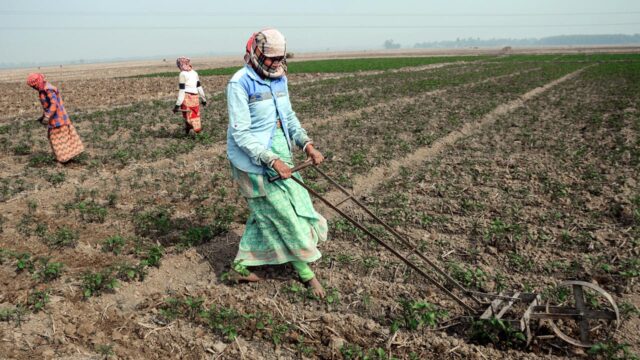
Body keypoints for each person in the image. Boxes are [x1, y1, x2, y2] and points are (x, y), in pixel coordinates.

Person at [226, 29, 328, 297]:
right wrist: (271, 160)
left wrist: (307, 144)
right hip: (252, 162)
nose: (275, 63)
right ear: (257, 53)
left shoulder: (280, 78)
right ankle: (306, 274)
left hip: (281, 156)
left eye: (280, 58)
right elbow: (241, 133)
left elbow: (288, 117)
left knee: (272, 212)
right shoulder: (240, 83)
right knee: (284, 216)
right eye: (271, 58)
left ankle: (239, 264)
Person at [26, 73, 84, 163]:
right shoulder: (43, 90)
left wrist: (48, 116)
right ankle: (65, 158)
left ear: (37, 83)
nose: (34, 88)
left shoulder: (48, 90)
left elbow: (54, 104)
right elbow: (48, 106)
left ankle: (63, 160)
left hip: (58, 119)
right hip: (55, 120)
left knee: (58, 138)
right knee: (56, 137)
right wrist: (43, 117)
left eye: (34, 86)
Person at [172, 57, 207, 135]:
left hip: (186, 98)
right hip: (195, 98)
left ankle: (193, 133)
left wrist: (177, 105)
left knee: (188, 117)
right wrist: (204, 99)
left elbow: (182, 91)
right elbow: (199, 87)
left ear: (180, 65)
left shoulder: (182, 74)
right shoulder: (195, 73)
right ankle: (191, 133)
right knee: (195, 116)